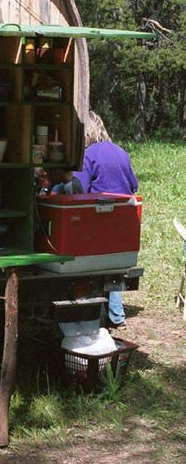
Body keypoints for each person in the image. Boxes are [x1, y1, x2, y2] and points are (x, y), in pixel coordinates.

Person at [73, 111, 139, 330]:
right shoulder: (121, 152)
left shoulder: (88, 155)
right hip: (123, 220)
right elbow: (133, 185)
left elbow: (79, 189)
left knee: (95, 269)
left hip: (98, 219)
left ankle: (94, 314)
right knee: (115, 265)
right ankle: (117, 315)